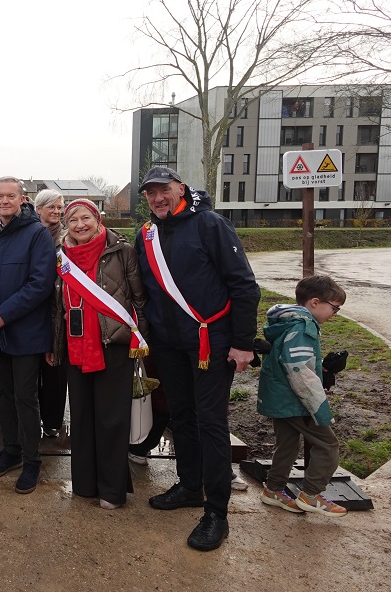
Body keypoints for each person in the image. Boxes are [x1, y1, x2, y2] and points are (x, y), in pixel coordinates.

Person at [135, 166, 260, 551]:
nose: (157, 198)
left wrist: (242, 342)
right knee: (181, 416)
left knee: (210, 423)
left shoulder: (210, 225)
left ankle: (216, 512)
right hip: (169, 343)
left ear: (181, 189)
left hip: (212, 341)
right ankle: (190, 486)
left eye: (164, 190)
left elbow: (243, 285)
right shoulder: (147, 235)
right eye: (151, 193)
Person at [54, 199, 148, 509]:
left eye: (85, 218)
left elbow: (139, 300)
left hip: (114, 345)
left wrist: (140, 341)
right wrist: (55, 347)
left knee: (111, 419)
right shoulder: (61, 257)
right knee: (81, 418)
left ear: (97, 218)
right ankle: (85, 484)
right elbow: (58, 309)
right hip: (75, 346)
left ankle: (112, 489)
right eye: (72, 220)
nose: (79, 224)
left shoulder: (122, 252)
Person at [0, 176, 55, 493]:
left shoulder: (37, 235)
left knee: (25, 398)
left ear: (22, 198)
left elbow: (40, 284)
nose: (4, 201)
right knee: (4, 395)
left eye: (10, 196)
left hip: (25, 333)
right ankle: (12, 450)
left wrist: (3, 314)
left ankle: (32, 461)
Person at [258, 275, 347, 517]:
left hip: (278, 397)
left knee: (287, 443)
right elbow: (298, 370)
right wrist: (319, 407)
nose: (335, 313)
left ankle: (273, 489)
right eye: (335, 307)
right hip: (296, 400)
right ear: (315, 302)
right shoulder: (302, 327)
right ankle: (311, 495)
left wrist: (324, 369)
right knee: (328, 444)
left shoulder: (286, 322)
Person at [34, 190, 67, 439]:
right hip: (35, 308)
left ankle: (53, 421)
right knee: (31, 369)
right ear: (38, 209)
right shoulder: (30, 234)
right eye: (51, 207)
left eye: (59, 207)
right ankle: (31, 417)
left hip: (60, 308)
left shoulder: (68, 237)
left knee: (55, 369)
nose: (56, 212)